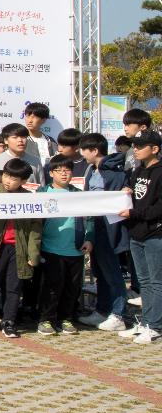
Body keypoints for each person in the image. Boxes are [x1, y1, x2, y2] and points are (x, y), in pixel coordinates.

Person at [0, 161, 43, 338]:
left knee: (13, 286)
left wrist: (33, 253)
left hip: (18, 248)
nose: (8, 181)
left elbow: (35, 229)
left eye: (14, 178)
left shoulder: (29, 199)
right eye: (6, 175)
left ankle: (9, 321)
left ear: (23, 181)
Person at [35, 155, 92, 336]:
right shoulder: (42, 193)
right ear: (51, 173)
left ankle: (65, 319)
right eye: (59, 171)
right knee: (51, 287)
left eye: (67, 170)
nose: (64, 174)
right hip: (49, 248)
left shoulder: (78, 194)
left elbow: (90, 218)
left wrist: (89, 238)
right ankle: (46, 320)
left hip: (75, 249)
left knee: (72, 288)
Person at [78, 132, 129, 331]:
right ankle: (102, 310)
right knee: (100, 271)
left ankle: (118, 314)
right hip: (94, 224)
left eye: (84, 149)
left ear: (95, 150)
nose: (82, 154)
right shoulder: (92, 170)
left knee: (112, 272)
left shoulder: (115, 172)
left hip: (110, 227)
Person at [118, 130, 162, 345]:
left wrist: (134, 213)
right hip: (137, 233)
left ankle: (155, 326)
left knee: (157, 282)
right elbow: (136, 198)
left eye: (140, 145)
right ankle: (145, 322)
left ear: (154, 149)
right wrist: (127, 192)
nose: (135, 149)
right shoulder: (137, 171)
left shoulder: (160, 172)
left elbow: (159, 208)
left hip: (156, 234)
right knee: (143, 281)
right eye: (134, 145)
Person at [22, 102, 58, 168]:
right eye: (27, 116)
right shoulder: (22, 140)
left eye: (34, 117)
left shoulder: (51, 141)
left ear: (43, 120)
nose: (29, 120)